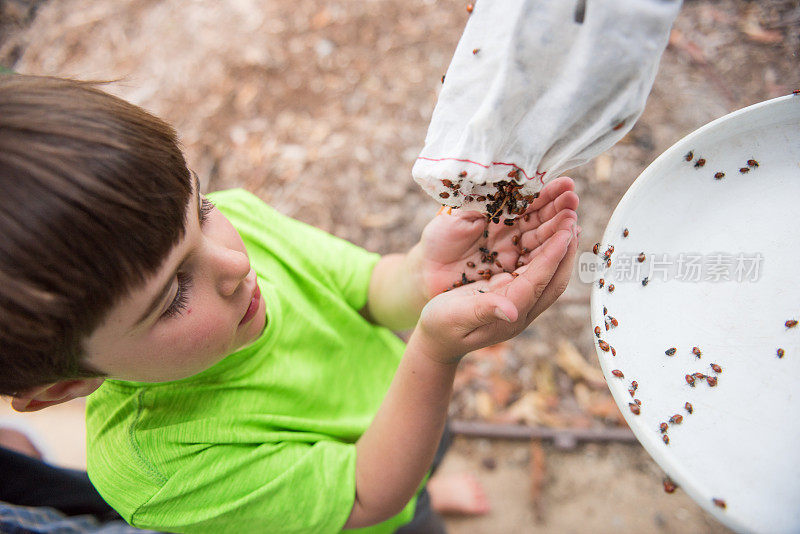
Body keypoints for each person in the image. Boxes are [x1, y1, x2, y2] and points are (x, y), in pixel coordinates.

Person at [1, 74, 580, 533]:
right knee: (410, 516)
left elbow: (370, 293)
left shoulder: (239, 224)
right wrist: (433, 355)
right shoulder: (159, 471)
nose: (234, 265)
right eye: (173, 294)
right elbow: (363, 495)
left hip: (396, 397)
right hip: (361, 507)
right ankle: (424, 501)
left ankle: (429, 482)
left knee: (429, 455)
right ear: (61, 389)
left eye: (201, 212)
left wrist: (421, 275)